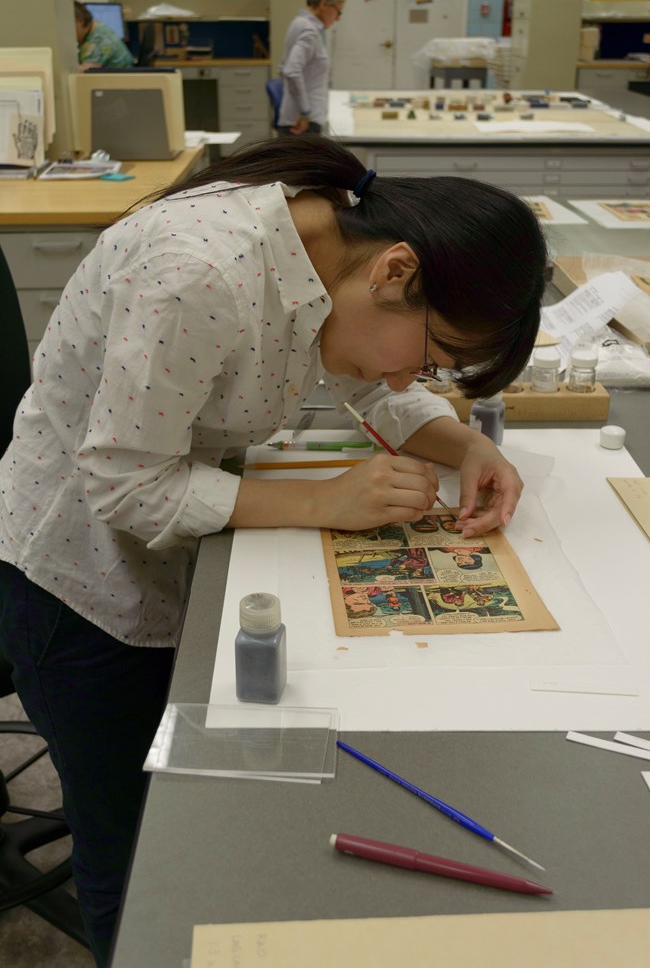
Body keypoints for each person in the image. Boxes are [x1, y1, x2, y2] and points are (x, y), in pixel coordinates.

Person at [0, 133, 546, 966]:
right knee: (137, 846)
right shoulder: (202, 272)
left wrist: (462, 447)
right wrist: (322, 501)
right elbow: (123, 485)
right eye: (431, 358)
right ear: (397, 270)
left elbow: (367, 372)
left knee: (199, 803)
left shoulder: (333, 248)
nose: (414, 382)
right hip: (76, 580)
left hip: (171, 556)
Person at [277, 0, 347, 135]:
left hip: (300, 119)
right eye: (338, 12)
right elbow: (292, 70)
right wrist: (305, 112)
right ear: (323, 4)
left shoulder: (301, 23)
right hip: (302, 124)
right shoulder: (309, 30)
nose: (338, 18)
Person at [74, 1, 135, 71]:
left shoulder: (101, 40)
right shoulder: (93, 29)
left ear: (80, 21)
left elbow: (84, 71)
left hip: (120, 79)